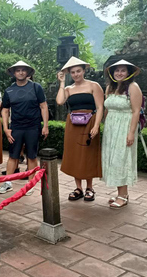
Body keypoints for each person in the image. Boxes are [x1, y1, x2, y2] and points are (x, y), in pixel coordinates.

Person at [0, 61, 49, 195]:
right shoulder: (9, 90)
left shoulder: (36, 87)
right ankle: (8, 182)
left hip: (33, 126)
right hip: (16, 127)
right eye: (18, 70)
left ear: (28, 73)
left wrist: (46, 126)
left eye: (23, 70)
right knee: (13, 155)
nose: (20, 72)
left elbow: (43, 106)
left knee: (31, 156)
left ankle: (30, 184)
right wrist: (6, 128)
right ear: (14, 73)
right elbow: (5, 110)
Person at [56, 56, 104, 201]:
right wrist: (62, 83)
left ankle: (90, 187)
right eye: (73, 72)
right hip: (73, 124)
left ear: (84, 71)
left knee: (88, 154)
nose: (76, 74)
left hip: (90, 121)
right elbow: (59, 101)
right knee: (75, 154)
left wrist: (96, 125)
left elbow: (100, 106)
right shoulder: (69, 89)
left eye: (78, 71)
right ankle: (79, 188)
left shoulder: (93, 86)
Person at [102, 60, 142, 209]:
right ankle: (120, 192)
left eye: (123, 70)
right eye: (116, 70)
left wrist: (131, 133)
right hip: (111, 128)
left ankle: (123, 195)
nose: (119, 73)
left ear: (128, 72)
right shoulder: (110, 88)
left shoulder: (133, 87)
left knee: (122, 159)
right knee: (112, 159)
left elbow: (136, 111)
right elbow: (107, 109)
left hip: (125, 127)